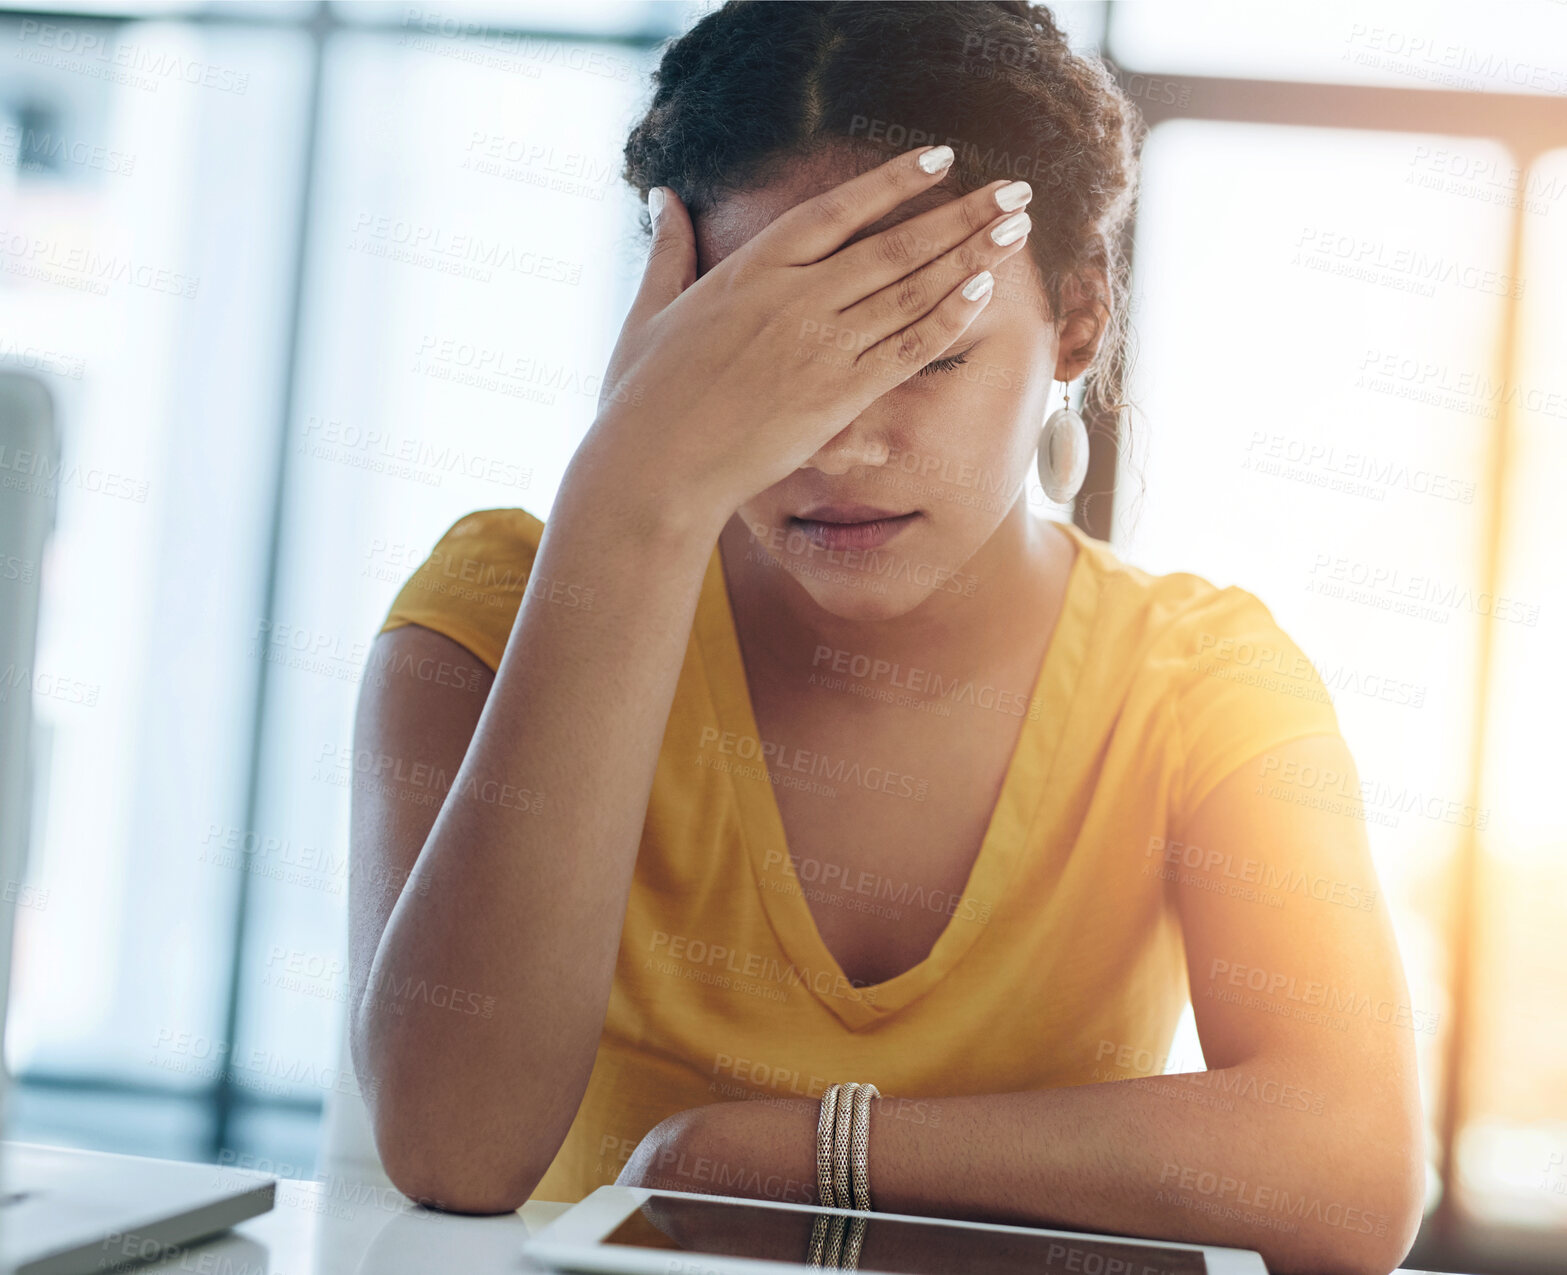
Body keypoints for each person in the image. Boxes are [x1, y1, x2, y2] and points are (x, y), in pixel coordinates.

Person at [346, 4, 1424, 1272]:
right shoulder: (496, 611)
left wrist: (792, 1153)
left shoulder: (1200, 679)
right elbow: (452, 1151)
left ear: (1076, 320)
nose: (838, 446)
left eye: (927, 357)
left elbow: (1351, 1173)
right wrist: (629, 504)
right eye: (774, 361)